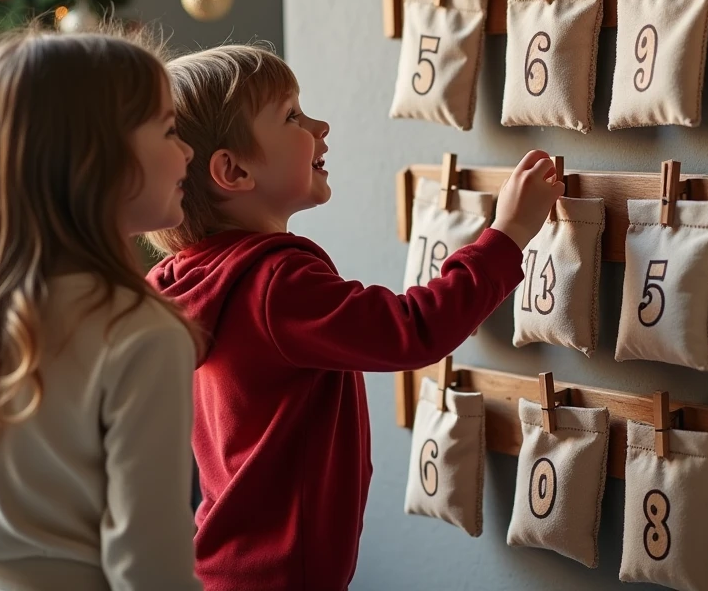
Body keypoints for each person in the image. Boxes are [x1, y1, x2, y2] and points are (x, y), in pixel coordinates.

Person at [147, 44, 563, 590]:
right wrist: (506, 237)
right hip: (281, 574)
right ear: (234, 169)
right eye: (292, 116)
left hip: (226, 563)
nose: (320, 125)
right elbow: (412, 331)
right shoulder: (275, 286)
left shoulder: (186, 279)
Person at [0, 26, 203, 591]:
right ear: (96, 159)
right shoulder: (143, 334)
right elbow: (151, 560)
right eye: (171, 129)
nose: (187, 151)